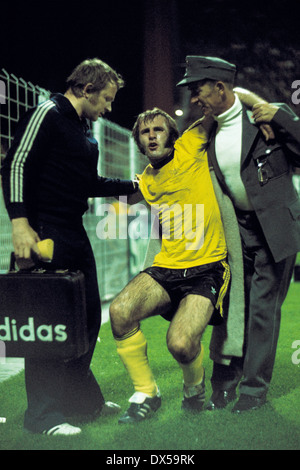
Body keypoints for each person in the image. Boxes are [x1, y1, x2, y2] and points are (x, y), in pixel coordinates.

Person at [1, 58, 139, 435]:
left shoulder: (82, 126)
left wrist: (134, 186)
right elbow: (15, 164)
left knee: (89, 317)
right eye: (106, 99)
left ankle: (81, 402)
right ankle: (42, 416)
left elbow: (85, 183)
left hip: (73, 231)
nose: (109, 108)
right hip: (42, 232)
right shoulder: (46, 112)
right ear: (86, 89)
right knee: (47, 323)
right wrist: (19, 224)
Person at [177, 55, 300, 413]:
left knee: (262, 310)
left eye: (197, 90)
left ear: (220, 88)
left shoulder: (266, 118)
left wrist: (275, 113)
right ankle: (227, 382)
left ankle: (253, 390)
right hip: (237, 230)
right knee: (233, 307)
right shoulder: (207, 130)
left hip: (276, 228)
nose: (193, 98)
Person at [109, 107, 231, 424]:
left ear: (171, 135)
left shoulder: (191, 145)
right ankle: (147, 393)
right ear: (138, 141)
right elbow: (116, 200)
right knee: (120, 311)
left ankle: (194, 391)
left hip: (208, 267)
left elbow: (220, 110)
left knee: (180, 343)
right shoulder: (146, 180)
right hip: (166, 268)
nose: (151, 135)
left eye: (158, 129)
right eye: (145, 132)